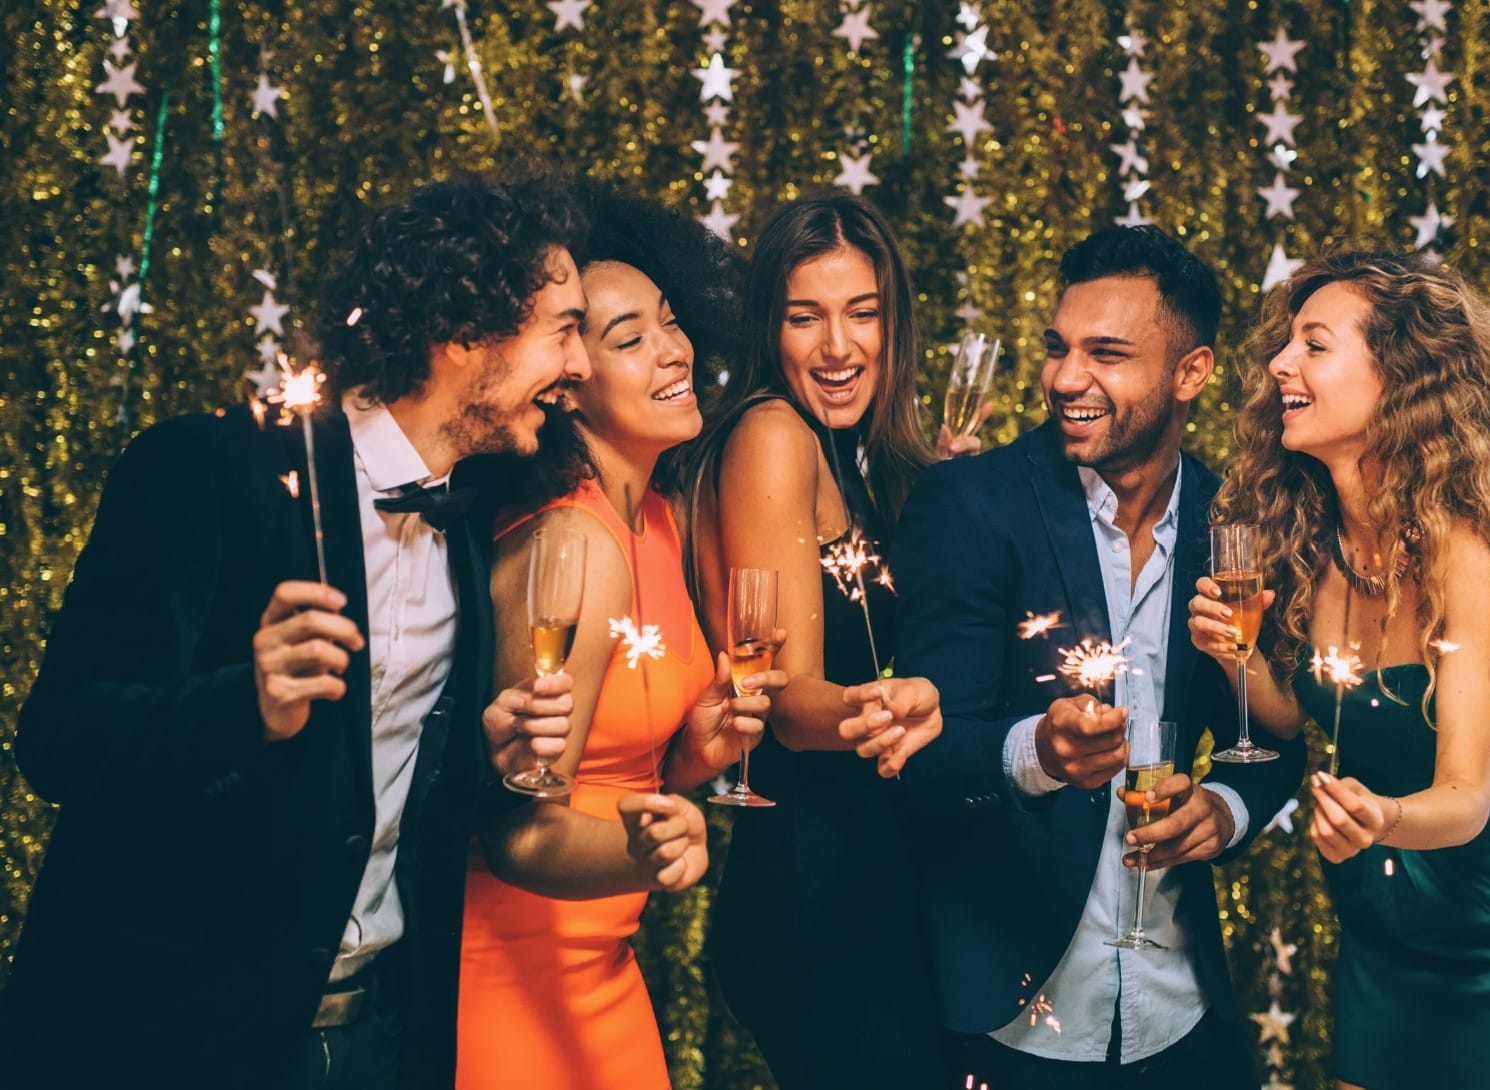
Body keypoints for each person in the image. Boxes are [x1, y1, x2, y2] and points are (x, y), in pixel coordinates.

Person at [0, 169, 611, 1088]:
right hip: (171, 1038)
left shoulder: (470, 513)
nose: (583, 368)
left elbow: (385, 787)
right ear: (460, 331)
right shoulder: (211, 470)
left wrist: (478, 754)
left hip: (375, 1034)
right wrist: (242, 705)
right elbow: (60, 743)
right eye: (564, 329)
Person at [889, 225, 1305, 1088]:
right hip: (1017, 1018)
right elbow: (924, 747)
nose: (1066, 379)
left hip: (1183, 1010)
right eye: (1058, 348)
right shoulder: (969, 504)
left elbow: (1272, 732)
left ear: (1191, 372)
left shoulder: (1238, 524)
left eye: (1106, 354)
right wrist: (1037, 753)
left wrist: (1222, 809)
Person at [1186, 251, 1490, 1090]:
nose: (1280, 365)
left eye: (1315, 345)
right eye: (1285, 347)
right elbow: (1285, 719)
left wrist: (1376, 817)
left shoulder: (1468, 551)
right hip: (1387, 920)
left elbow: (1465, 797)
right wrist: (1237, 659)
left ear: (1401, 378)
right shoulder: (1306, 538)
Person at [457, 190, 785, 1090]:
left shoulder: (660, 516)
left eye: (671, 323)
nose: (674, 351)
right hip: (508, 978)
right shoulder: (572, 544)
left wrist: (694, 755)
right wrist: (644, 851)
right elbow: (517, 826)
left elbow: (616, 775)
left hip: (602, 965)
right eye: (629, 338)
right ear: (569, 384)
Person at [684, 193, 947, 1088]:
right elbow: (785, 700)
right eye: (807, 317)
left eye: (862, 313)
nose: (839, 347)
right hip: (816, 882)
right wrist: (892, 706)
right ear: (770, 325)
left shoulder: (850, 456)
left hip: (866, 868)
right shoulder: (774, 433)